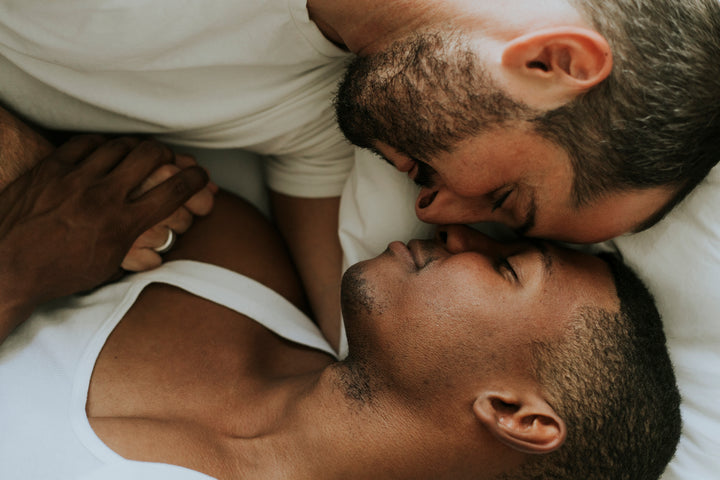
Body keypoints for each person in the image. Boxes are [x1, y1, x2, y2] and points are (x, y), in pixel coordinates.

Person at [0, 0, 718, 350]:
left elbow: (344, 350)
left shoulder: (312, 120)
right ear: (552, 63)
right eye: (503, 197)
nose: (437, 212)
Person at [0, 184, 681, 479]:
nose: (456, 233)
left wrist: (16, 275)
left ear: (512, 412)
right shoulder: (225, 254)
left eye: (507, 268)